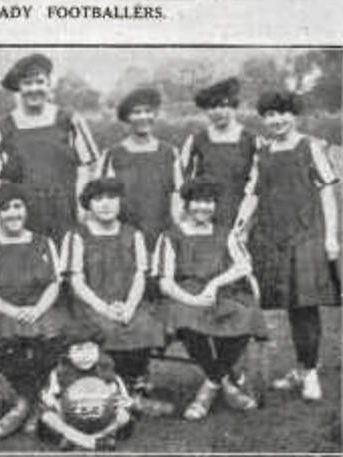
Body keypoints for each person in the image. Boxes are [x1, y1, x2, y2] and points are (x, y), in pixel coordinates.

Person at [239, 90, 340, 401]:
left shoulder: (311, 147)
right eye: (269, 114)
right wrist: (239, 228)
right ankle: (294, 369)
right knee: (274, 306)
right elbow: (253, 195)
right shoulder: (263, 152)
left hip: (306, 236)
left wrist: (331, 237)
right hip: (271, 238)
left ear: (293, 114)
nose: (276, 120)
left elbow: (326, 194)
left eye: (282, 113)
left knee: (304, 307)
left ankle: (309, 374)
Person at [155, 176, 268, 420]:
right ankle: (225, 383)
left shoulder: (225, 233)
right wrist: (192, 299)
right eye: (196, 202)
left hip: (220, 292)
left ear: (215, 205)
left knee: (247, 315)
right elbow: (165, 281)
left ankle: (209, 386)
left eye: (208, 202)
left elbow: (244, 266)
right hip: (185, 294)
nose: (202, 208)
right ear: (186, 204)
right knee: (185, 317)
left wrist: (215, 283)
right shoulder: (170, 236)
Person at [63, 178, 173, 416]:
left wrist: (130, 307)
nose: (106, 204)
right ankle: (110, 391)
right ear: (88, 204)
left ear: (120, 202)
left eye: (111, 198)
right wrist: (103, 308)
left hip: (128, 302)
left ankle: (135, 388)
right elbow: (77, 281)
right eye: (98, 199)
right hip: (92, 304)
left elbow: (139, 277)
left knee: (144, 324)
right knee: (104, 328)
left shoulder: (133, 234)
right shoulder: (77, 235)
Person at [0, 183, 68, 438]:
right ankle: (26, 401)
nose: (13, 213)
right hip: (4, 311)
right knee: (7, 342)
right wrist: (11, 310)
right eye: (5, 209)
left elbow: (54, 283)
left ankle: (37, 403)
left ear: (26, 210)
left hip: (40, 309)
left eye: (18, 206)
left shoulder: (44, 243)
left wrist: (37, 309)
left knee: (49, 340)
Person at [0, 53, 99, 244]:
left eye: (40, 82)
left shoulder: (69, 120)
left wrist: (82, 208)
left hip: (65, 212)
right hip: (23, 217)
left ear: (49, 84)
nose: (34, 89)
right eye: (27, 83)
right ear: (19, 88)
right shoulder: (4, 127)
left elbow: (85, 169)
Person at [100, 88, 183, 248]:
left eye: (148, 111)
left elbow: (178, 197)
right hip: (124, 240)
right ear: (127, 117)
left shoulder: (170, 153)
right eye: (136, 112)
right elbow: (102, 200)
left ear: (155, 114)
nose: (143, 117)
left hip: (162, 236)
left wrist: (174, 234)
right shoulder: (112, 155)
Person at [38, 324, 133, 452]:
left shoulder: (107, 372)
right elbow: (48, 398)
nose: (85, 355)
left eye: (91, 349)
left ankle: (95, 437)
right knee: (48, 417)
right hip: (71, 417)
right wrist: (55, 403)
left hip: (102, 418)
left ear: (99, 350)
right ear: (67, 354)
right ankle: (82, 439)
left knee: (124, 416)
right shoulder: (59, 373)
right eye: (78, 350)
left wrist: (121, 402)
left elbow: (125, 399)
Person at [181, 77, 259, 231]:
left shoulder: (252, 141)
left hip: (242, 218)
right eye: (212, 107)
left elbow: (258, 186)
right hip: (205, 217)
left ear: (234, 106)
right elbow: (182, 183)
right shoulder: (196, 141)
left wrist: (245, 221)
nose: (218, 112)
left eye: (224, 106)